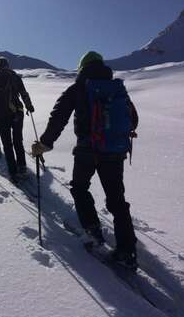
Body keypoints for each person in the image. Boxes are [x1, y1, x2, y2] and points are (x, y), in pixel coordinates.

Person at [31, 51, 139, 269]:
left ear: (82, 68)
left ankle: (93, 232)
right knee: (117, 200)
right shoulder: (117, 88)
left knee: (80, 188)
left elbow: (58, 116)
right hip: (115, 152)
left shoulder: (78, 88)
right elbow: (133, 120)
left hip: (87, 151)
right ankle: (127, 251)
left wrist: (45, 143)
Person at [0, 57, 34, 182]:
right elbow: (23, 93)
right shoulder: (14, 77)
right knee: (18, 141)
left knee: (7, 144)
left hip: (1, 116)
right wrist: (29, 106)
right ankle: (22, 167)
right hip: (17, 113)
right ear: (7, 65)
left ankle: (13, 172)